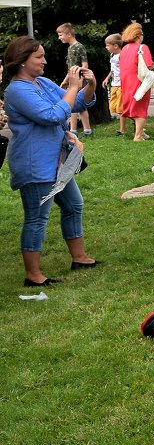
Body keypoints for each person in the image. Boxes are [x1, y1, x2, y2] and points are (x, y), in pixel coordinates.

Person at [3, 36, 100, 286]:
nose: (44, 61)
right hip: (35, 163)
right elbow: (51, 115)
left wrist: (89, 84)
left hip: (57, 162)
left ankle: (79, 257)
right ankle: (33, 276)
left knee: (74, 205)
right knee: (37, 217)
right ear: (22, 61)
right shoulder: (16, 90)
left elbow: (77, 102)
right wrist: (71, 87)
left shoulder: (42, 83)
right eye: (39, 57)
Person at [117, 22, 154, 142]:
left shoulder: (124, 48)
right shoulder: (143, 47)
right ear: (138, 36)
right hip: (139, 81)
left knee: (131, 106)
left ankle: (140, 132)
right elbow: (149, 65)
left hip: (126, 82)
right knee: (140, 107)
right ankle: (138, 136)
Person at [57, 23, 92, 137]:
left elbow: (85, 64)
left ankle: (87, 130)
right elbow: (70, 68)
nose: (59, 37)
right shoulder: (69, 48)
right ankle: (73, 130)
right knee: (71, 104)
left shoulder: (79, 46)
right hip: (72, 81)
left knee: (81, 105)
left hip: (79, 80)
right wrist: (65, 80)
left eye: (60, 34)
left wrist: (81, 78)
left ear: (69, 34)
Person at [100, 34, 124, 135]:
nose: (106, 47)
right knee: (113, 107)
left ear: (115, 46)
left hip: (121, 84)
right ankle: (136, 120)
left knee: (120, 108)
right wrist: (107, 78)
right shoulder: (112, 55)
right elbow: (113, 69)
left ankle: (122, 130)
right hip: (114, 84)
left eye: (108, 45)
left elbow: (125, 70)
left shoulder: (122, 56)